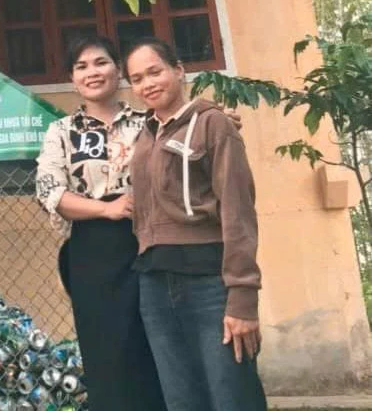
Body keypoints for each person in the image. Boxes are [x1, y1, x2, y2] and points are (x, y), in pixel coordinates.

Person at [124, 37, 266, 411]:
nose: (148, 84)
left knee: (231, 394)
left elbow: (239, 212)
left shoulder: (213, 125)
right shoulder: (142, 137)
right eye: (137, 79)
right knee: (181, 398)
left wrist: (243, 297)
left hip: (209, 282)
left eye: (155, 71)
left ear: (179, 70)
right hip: (154, 285)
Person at [35, 35, 166, 411]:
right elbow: (51, 192)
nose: (93, 72)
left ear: (118, 70)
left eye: (101, 62)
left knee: (154, 347)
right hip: (93, 255)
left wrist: (217, 117)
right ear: (73, 78)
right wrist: (104, 209)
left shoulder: (150, 124)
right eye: (82, 66)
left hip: (150, 246)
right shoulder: (61, 132)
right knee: (106, 354)